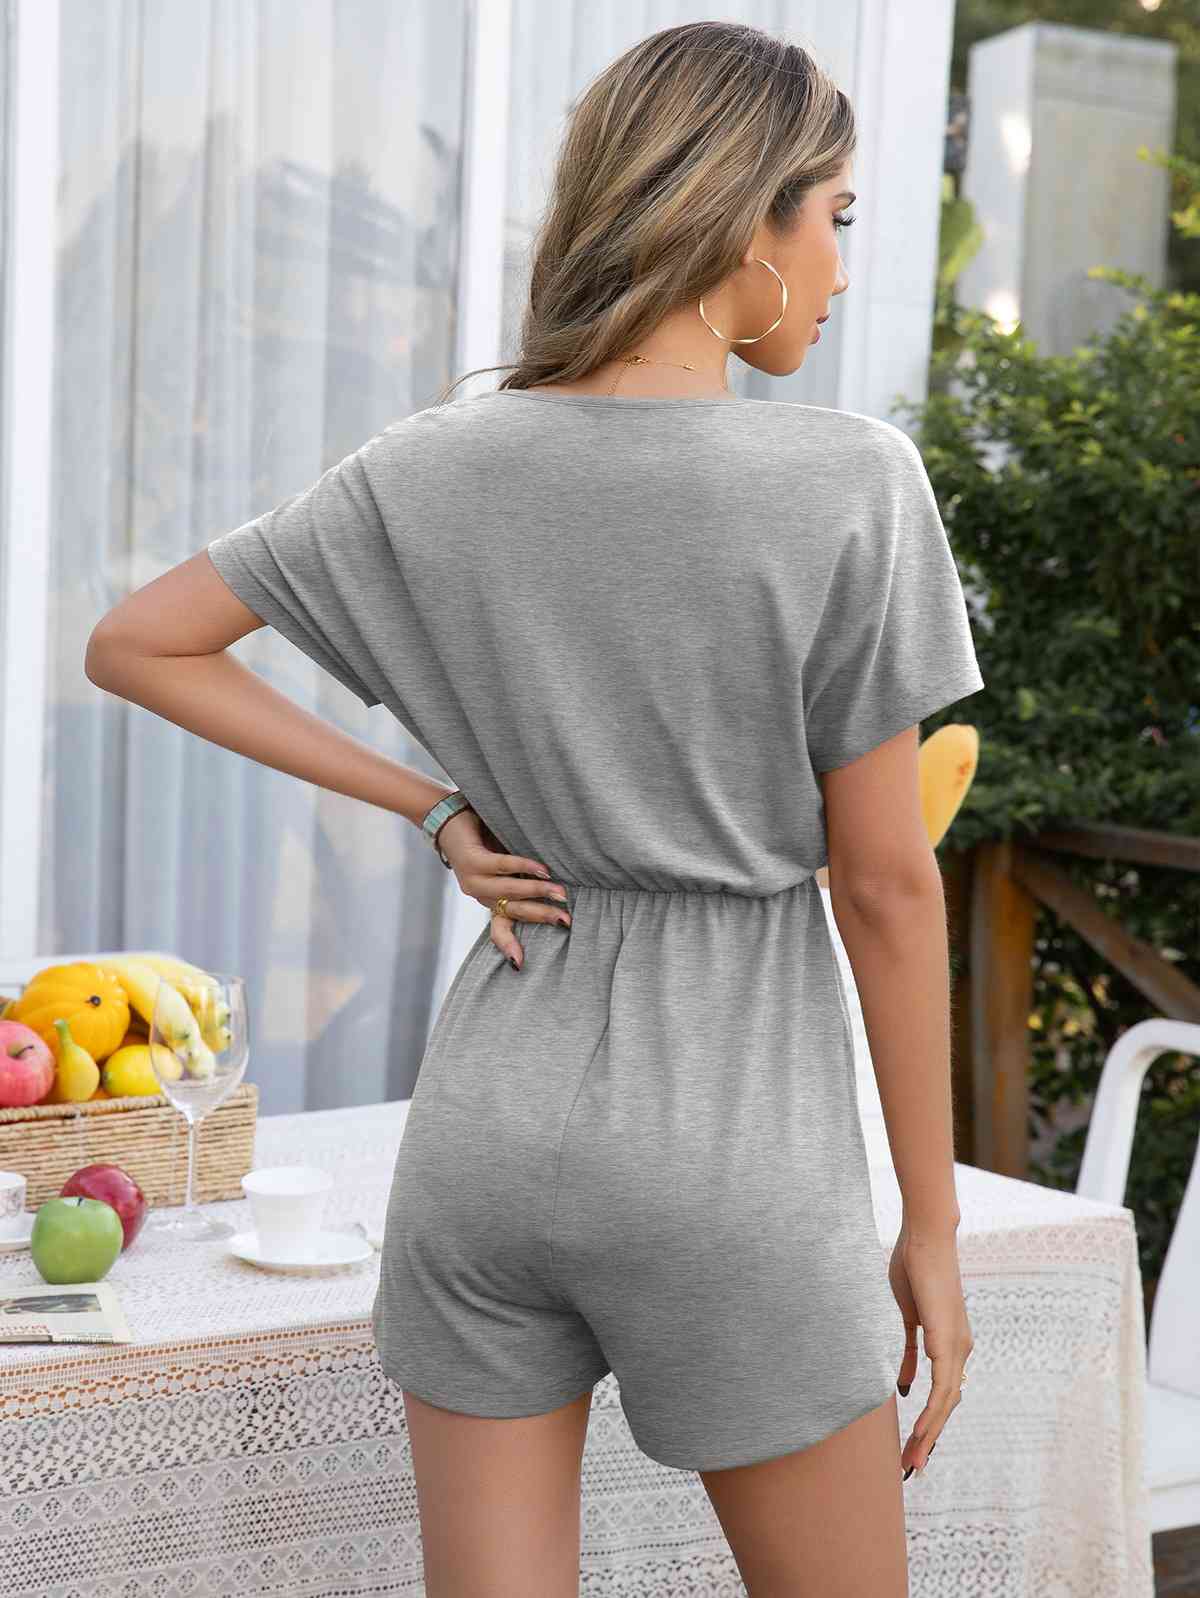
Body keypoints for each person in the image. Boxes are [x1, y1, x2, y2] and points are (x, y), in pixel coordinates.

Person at [85, 19, 981, 1597]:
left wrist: (434, 806)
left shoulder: (433, 464)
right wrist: (935, 1223)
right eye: (834, 218)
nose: (841, 267)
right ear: (747, 222)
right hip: (733, 1145)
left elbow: (136, 641)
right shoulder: (849, 485)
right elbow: (887, 889)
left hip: (488, 1134)